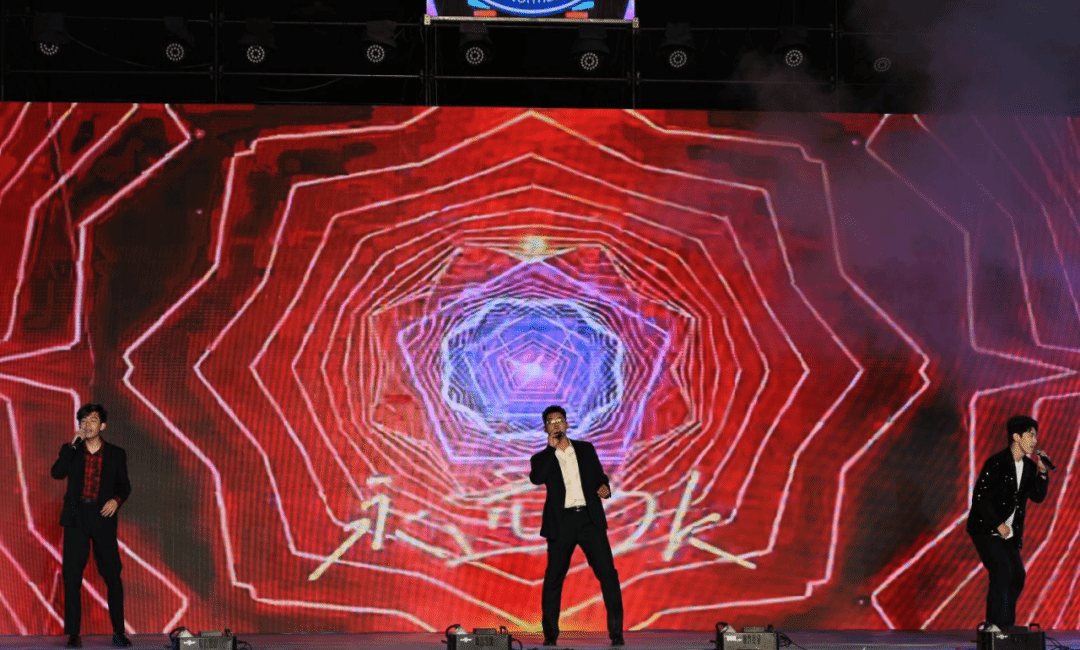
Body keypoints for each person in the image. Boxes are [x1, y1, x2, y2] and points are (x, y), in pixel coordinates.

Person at [529, 405, 624, 647]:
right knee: (554, 579)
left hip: (589, 520)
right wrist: (551, 450)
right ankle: (550, 634)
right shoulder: (541, 458)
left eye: (560, 420)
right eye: (551, 422)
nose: (556, 424)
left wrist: (604, 487)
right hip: (561, 523)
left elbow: (599, 476)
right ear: (545, 428)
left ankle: (617, 632)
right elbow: (537, 478)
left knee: (608, 575)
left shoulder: (585, 449)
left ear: (567, 424)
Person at [50, 404, 132, 648]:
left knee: (112, 575)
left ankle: (118, 632)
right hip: (76, 518)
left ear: (102, 426)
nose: (87, 425)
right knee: (72, 576)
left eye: (92, 420)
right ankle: (74, 634)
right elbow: (57, 473)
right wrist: (71, 447)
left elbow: (124, 486)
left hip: (102, 517)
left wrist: (116, 500)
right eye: (83, 421)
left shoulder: (116, 454)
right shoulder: (71, 450)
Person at [966, 414, 1050, 636]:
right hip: (985, 528)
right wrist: (998, 524)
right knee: (1002, 570)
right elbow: (981, 499)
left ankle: (1006, 626)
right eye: (1031, 435)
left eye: (1036, 436)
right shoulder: (996, 463)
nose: (1035, 440)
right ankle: (993, 626)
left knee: (1017, 575)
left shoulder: (1029, 467)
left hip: (1009, 533)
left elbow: (1037, 496)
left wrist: (1042, 473)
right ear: (1016, 436)